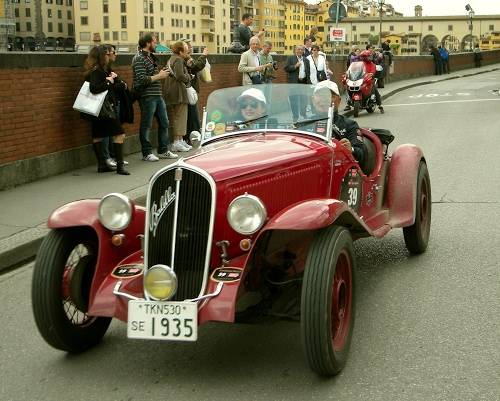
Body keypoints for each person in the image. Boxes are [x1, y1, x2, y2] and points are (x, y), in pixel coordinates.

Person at [83, 45, 130, 175]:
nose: (109, 57)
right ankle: (119, 165)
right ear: (101, 56)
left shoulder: (102, 70)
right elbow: (94, 88)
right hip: (104, 109)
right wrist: (109, 81)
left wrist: (113, 80)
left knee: (98, 136)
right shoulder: (97, 71)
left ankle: (102, 164)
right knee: (120, 134)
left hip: (99, 109)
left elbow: (115, 86)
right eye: (107, 54)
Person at [132, 32, 177, 162]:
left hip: (157, 94)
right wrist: (159, 76)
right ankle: (146, 152)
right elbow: (141, 80)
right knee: (146, 124)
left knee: (164, 122)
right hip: (147, 96)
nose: (156, 44)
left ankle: (163, 150)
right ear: (148, 43)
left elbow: (152, 75)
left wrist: (162, 73)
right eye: (155, 42)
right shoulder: (139, 58)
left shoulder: (150, 57)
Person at [309, 81, 364, 164]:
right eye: (320, 95)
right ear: (313, 100)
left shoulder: (349, 125)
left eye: (330, 95)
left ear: (339, 101)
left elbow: (361, 153)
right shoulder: (301, 126)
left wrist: (351, 149)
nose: (324, 100)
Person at [102, 44, 129, 168]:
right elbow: (110, 86)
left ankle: (113, 156)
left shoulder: (108, 69)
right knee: (107, 132)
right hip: (106, 105)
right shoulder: (100, 70)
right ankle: (107, 157)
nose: (114, 55)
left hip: (113, 102)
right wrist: (120, 84)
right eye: (111, 53)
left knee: (113, 132)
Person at [162, 41, 192, 153]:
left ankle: (180, 140)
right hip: (179, 91)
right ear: (180, 51)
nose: (186, 53)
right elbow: (180, 76)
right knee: (181, 116)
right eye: (185, 51)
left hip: (171, 89)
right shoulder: (179, 60)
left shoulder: (171, 59)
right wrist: (189, 77)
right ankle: (177, 142)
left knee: (179, 115)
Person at [181, 38, 209, 146]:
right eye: (188, 45)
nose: (190, 47)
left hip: (190, 90)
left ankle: (190, 136)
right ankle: (192, 137)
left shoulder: (187, 57)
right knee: (192, 115)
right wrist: (204, 55)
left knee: (191, 115)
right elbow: (197, 66)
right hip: (188, 91)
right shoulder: (182, 59)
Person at [284, 44, 311, 121]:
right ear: (295, 50)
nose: (300, 51)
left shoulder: (306, 60)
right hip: (294, 82)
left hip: (303, 82)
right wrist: (295, 66)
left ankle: (303, 113)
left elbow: (308, 72)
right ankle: (295, 116)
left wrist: (308, 82)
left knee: (304, 99)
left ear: (303, 51)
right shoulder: (290, 58)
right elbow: (286, 68)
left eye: (301, 50)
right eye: (298, 49)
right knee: (294, 100)